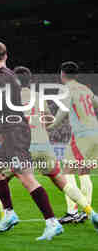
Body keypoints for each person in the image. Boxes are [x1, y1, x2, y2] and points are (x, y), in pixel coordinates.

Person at [0, 66, 98, 233]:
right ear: (30, 81)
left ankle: (6, 218)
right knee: (61, 180)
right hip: (44, 146)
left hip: (22, 147)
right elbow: (49, 119)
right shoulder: (39, 96)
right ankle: (92, 213)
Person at [0, 42, 62, 241]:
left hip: (15, 134)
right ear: (5, 56)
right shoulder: (10, 76)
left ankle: (52, 222)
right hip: (14, 131)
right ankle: (9, 214)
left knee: (26, 178)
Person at [47, 61, 98, 229]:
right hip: (94, 133)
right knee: (84, 172)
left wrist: (52, 125)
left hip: (81, 135)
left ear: (62, 74)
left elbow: (64, 110)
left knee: (67, 171)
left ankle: (72, 212)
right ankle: (85, 211)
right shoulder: (86, 89)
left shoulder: (68, 90)